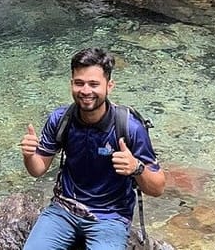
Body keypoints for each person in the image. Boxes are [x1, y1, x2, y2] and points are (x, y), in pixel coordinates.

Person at [20, 47, 165, 250]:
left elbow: (158, 187)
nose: (86, 91)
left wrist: (136, 168)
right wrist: (28, 155)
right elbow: (37, 169)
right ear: (71, 84)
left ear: (109, 86)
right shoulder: (62, 119)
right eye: (79, 83)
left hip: (110, 217)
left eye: (94, 84)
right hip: (64, 208)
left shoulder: (129, 127)